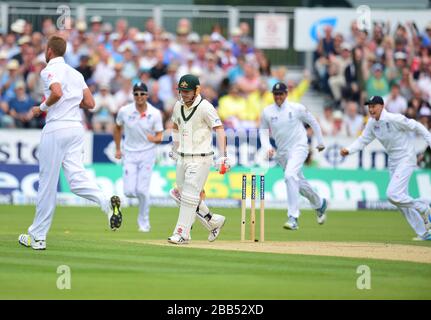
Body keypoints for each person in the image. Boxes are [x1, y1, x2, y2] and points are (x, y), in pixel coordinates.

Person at [18, 36, 122, 251]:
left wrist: (41, 108)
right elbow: (91, 103)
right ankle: (106, 203)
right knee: (76, 179)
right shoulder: (76, 74)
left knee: (47, 184)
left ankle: (38, 237)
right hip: (76, 129)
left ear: (49, 51)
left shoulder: (47, 70)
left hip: (56, 128)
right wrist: (71, 102)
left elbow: (56, 92)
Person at [340, 96, 431, 241]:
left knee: (392, 194)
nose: (371, 109)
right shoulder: (371, 124)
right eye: (369, 106)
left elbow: (416, 126)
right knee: (401, 202)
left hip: (406, 158)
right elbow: (363, 140)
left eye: (374, 106)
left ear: (382, 106)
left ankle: (423, 206)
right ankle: (425, 232)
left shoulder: (393, 118)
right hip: (393, 162)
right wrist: (349, 150)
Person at [167, 74, 229, 244]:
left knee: (189, 196)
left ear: (196, 90)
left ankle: (182, 234)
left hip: (201, 158)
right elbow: (175, 126)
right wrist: (175, 147)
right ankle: (213, 221)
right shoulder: (177, 106)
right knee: (177, 194)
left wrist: (223, 157)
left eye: (187, 91)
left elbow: (220, 129)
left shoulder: (205, 107)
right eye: (181, 90)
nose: (184, 94)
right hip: (183, 157)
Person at [260, 82, 328, 230]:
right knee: (299, 184)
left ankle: (293, 217)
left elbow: (313, 122)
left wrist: (321, 142)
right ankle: (320, 204)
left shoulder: (297, 108)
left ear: (286, 94)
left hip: (299, 147)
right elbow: (263, 131)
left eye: (281, 94)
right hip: (282, 153)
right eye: (275, 94)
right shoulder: (267, 112)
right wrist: (267, 147)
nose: (278, 97)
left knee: (290, 175)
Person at [113, 82, 163, 232]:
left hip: (148, 154)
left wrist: (153, 139)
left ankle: (144, 223)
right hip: (129, 153)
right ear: (133, 95)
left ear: (147, 95)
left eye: (142, 94)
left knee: (142, 190)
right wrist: (117, 148)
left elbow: (160, 136)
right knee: (128, 191)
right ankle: (118, 208)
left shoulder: (154, 113)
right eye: (136, 94)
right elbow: (117, 128)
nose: (139, 97)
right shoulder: (124, 111)